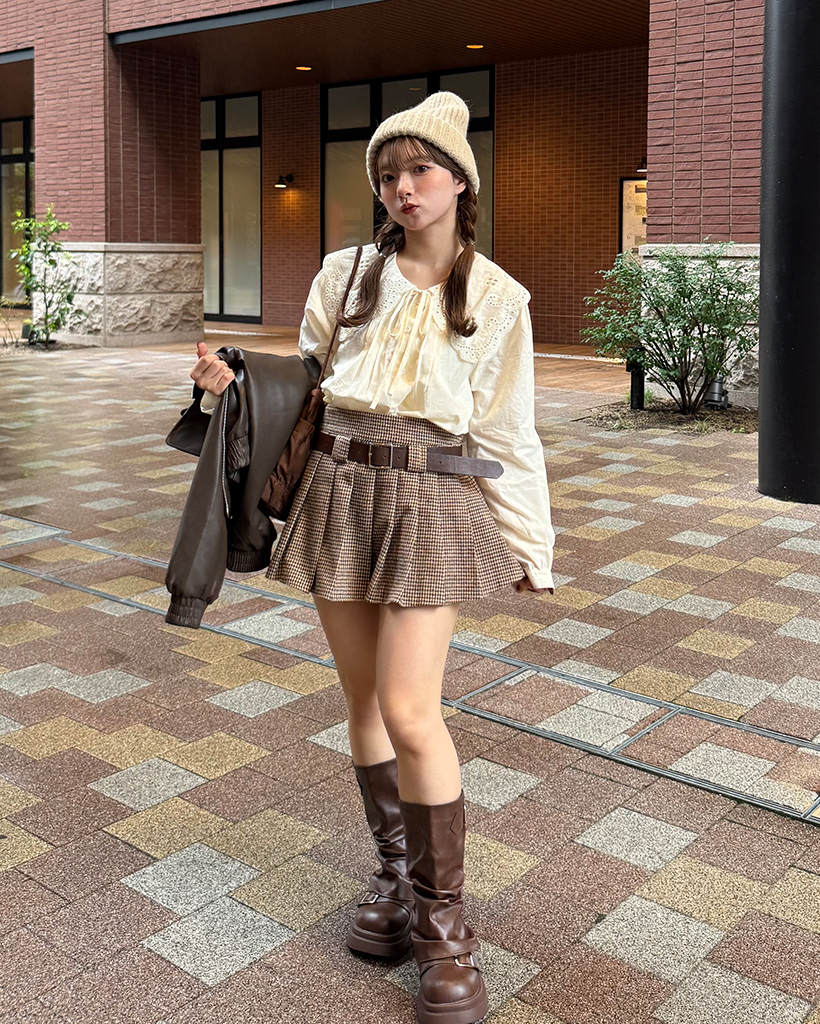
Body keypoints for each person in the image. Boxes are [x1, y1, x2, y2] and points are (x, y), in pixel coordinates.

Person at [192, 91, 554, 1024]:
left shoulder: (498, 296)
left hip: (431, 500)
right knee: (363, 703)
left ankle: (445, 930)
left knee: (410, 709)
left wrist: (529, 542)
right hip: (339, 490)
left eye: (420, 170)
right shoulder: (346, 273)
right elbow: (305, 381)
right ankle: (395, 878)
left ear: (459, 180)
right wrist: (234, 382)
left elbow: (508, 430)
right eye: (389, 175)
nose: (403, 188)